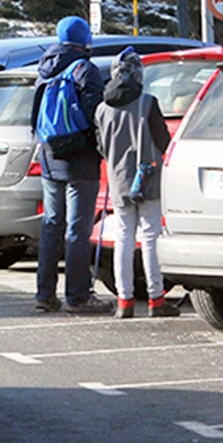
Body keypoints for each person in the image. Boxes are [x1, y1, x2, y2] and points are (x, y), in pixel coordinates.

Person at [31, 16, 111, 314]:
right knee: (77, 229)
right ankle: (77, 296)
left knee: (52, 225)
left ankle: (44, 294)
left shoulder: (44, 70)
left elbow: (35, 114)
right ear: (85, 38)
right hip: (80, 160)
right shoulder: (84, 69)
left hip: (50, 156)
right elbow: (95, 115)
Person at [97, 48, 178, 318]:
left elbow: (101, 147)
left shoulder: (102, 108)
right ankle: (156, 298)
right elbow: (163, 141)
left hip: (118, 180)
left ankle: (124, 300)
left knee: (123, 238)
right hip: (148, 179)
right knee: (151, 237)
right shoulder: (147, 102)